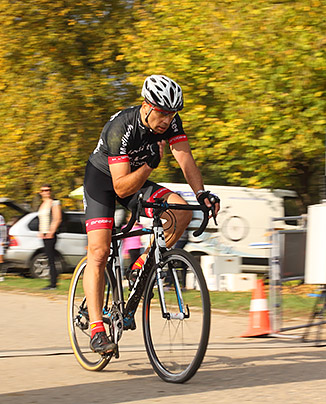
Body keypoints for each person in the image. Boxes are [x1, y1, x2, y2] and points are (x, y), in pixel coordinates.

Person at [83, 74, 220, 354]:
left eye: (173, 115)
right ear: (147, 105)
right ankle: (97, 329)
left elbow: (185, 159)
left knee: (180, 211)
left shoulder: (171, 124)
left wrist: (202, 194)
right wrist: (148, 166)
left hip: (136, 177)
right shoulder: (121, 127)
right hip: (103, 182)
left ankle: (141, 265)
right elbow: (120, 189)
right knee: (98, 251)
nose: (167, 121)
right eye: (163, 113)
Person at [37, 184, 62, 290]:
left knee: (51, 259)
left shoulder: (54, 203)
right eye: (43, 190)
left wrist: (51, 231)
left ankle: (53, 283)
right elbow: (41, 219)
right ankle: (52, 281)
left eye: (48, 190)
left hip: (50, 234)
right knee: (48, 258)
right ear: (40, 192)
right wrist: (40, 232)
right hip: (44, 234)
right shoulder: (42, 204)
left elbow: (57, 218)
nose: (46, 192)